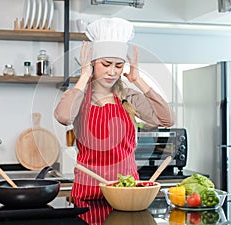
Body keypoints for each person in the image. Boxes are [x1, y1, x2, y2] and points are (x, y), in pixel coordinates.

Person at [54, 17, 174, 200]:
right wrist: (84, 75)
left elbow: (167, 119)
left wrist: (137, 80)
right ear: (93, 63)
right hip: (88, 192)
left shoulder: (128, 96)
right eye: (105, 64)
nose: (112, 72)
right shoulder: (79, 97)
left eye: (118, 66)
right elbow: (64, 117)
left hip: (126, 193)